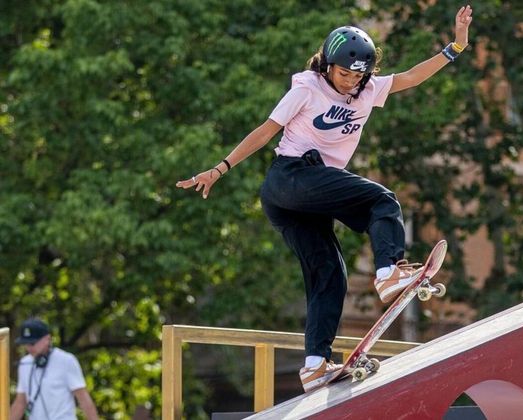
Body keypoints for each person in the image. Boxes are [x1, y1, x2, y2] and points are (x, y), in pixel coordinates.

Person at [177, 6, 473, 391]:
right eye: (344, 73)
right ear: (328, 65)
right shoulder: (307, 87)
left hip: (306, 194)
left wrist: (457, 46)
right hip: (291, 178)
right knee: (382, 201)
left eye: (358, 75)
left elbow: (413, 77)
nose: (351, 81)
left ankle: (315, 364)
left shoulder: (370, 89)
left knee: (329, 275)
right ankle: (389, 272)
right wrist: (219, 168)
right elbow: (266, 130)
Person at [10, 318, 99, 420]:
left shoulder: (66, 360)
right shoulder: (24, 364)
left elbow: (83, 398)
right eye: (25, 343)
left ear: (47, 339)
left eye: (33, 343)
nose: (29, 348)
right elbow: (20, 403)